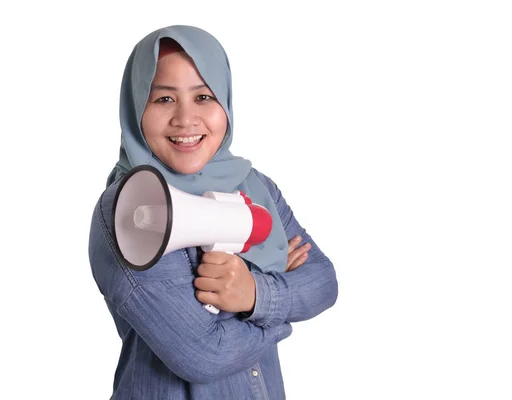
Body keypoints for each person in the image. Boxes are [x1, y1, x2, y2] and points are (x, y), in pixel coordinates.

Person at [88, 24, 338, 399]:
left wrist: (253, 293)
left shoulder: (256, 186)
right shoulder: (132, 207)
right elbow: (204, 355)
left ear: (226, 102)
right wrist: (279, 308)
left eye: (204, 97)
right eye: (164, 100)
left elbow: (323, 281)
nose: (186, 119)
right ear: (135, 105)